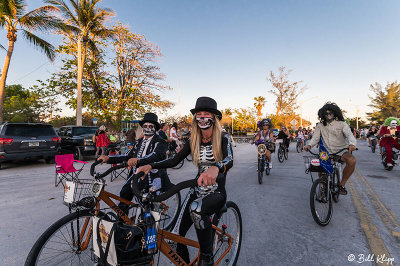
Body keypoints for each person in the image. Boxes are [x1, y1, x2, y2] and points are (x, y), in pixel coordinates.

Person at [138, 96, 233, 265]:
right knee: (175, 237)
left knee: (196, 209)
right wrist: (151, 165)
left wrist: (216, 167)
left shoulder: (223, 138)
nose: (202, 117)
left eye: (206, 114)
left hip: (216, 190)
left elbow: (229, 160)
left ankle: (206, 258)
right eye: (199, 114)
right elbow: (174, 160)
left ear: (214, 118)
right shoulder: (193, 140)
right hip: (196, 188)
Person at [97, 113, 171, 215]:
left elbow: (155, 156)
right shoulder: (139, 142)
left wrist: (138, 160)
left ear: (155, 128)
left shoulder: (160, 142)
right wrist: (108, 158)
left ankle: (149, 225)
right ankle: (122, 223)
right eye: (145, 126)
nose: (147, 128)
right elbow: (127, 156)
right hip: (135, 176)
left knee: (145, 205)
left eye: (151, 126)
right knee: (123, 197)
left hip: (151, 176)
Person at [304, 102, 357, 195]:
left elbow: (349, 135)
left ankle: (342, 185)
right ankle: (323, 186)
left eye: (330, 113)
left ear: (334, 113)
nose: (328, 116)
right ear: (322, 114)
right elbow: (315, 138)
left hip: (341, 151)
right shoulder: (320, 125)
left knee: (352, 160)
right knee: (321, 167)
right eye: (326, 114)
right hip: (325, 151)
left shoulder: (342, 124)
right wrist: (309, 145)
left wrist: (352, 144)